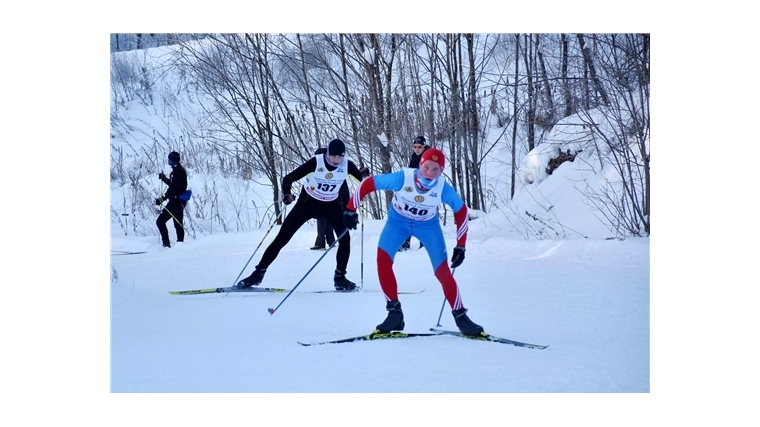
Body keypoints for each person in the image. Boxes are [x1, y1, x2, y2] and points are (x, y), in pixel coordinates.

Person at [343, 148, 485, 336]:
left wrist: (461, 245)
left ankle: (461, 318)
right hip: (398, 223)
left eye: (436, 169)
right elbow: (368, 184)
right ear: (420, 164)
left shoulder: (442, 187)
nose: (429, 173)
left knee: (442, 271)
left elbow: (461, 211)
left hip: (427, 227)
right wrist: (350, 209)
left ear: (441, 171)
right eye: (426, 167)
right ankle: (394, 313)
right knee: (383, 260)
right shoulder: (403, 178)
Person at [237, 138, 370, 291]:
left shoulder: (346, 165)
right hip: (307, 204)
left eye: (339, 157)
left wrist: (363, 177)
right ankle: (258, 273)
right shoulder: (316, 162)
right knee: (282, 237)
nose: (336, 160)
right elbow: (289, 178)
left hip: (331, 206)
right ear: (328, 153)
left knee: (344, 239)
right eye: (333, 156)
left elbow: (363, 183)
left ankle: (340, 278)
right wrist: (286, 194)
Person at [310, 147, 350, 251]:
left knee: (322, 220)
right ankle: (330, 241)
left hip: (331, 200)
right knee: (328, 219)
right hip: (332, 201)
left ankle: (321, 243)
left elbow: (344, 189)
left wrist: (346, 204)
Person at [399, 135, 430, 252]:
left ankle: (425, 243)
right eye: (415, 147)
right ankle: (405, 243)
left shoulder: (428, 158)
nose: (417, 149)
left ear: (424, 146)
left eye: (419, 147)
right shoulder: (414, 157)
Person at [155, 151, 188, 248]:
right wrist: (164, 179)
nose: (168, 160)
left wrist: (162, 199)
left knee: (160, 221)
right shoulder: (180, 170)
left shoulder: (176, 172)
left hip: (175, 202)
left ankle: (166, 245)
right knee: (178, 224)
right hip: (180, 202)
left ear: (173, 161)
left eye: (169, 159)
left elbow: (173, 188)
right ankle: (180, 245)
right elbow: (175, 185)